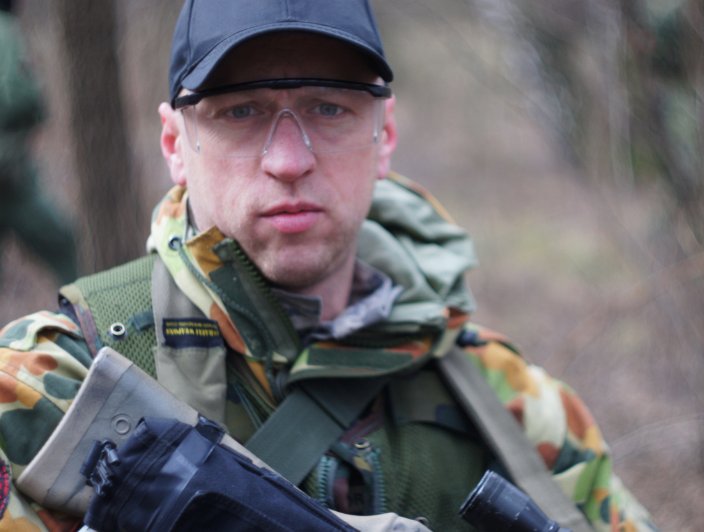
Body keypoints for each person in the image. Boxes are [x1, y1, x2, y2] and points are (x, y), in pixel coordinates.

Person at [0, 1, 656, 530]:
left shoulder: (516, 408)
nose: (289, 160)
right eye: (242, 111)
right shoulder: (46, 387)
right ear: (176, 142)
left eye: (329, 108)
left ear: (384, 134)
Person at [0, 0, 78, 286]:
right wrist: (36, 108)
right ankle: (78, 310)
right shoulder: (4, 29)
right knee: (63, 245)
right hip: (8, 175)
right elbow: (19, 94)